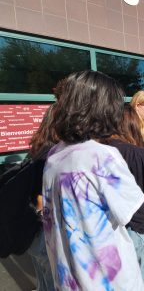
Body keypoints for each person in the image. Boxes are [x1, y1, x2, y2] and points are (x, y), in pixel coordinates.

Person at [42, 71, 144, 290]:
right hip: (109, 280)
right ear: (103, 109)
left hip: (68, 279)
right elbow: (142, 216)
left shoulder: (54, 155)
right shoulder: (102, 157)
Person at [103, 103, 144, 287]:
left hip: (113, 227)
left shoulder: (101, 148)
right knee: (139, 280)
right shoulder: (133, 151)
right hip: (137, 225)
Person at [26, 103, 58, 291]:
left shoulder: (37, 147)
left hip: (32, 228)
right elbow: (40, 197)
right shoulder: (50, 154)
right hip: (44, 230)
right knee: (51, 281)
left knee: (43, 280)